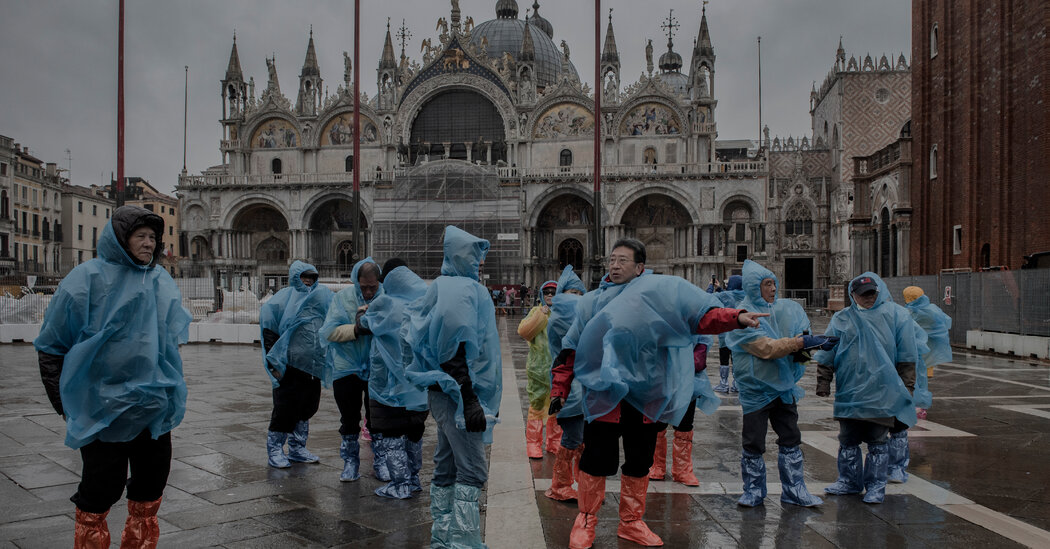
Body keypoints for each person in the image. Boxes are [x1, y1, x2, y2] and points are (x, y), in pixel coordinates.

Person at [549, 238, 768, 548]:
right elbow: (570, 350)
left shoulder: (657, 296)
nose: (615, 265)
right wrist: (559, 388)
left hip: (646, 397)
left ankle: (631, 521)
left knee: (639, 461)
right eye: (612, 259)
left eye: (623, 260)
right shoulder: (592, 303)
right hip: (604, 398)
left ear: (640, 267)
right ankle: (585, 520)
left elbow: (697, 316)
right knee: (596, 460)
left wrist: (736, 317)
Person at [36, 205, 191, 548]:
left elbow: (169, 342)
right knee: (100, 489)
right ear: (121, 239)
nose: (150, 244)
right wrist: (66, 405)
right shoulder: (85, 279)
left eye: (153, 237)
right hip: (102, 410)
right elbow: (51, 347)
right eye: (141, 236)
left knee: (151, 486)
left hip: (152, 409)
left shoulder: (159, 281)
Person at [405, 226, 502, 548]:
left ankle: (444, 536)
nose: (480, 263)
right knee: (473, 470)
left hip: (448, 393)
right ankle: (464, 542)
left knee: (446, 464)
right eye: (476, 256)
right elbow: (453, 341)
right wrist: (469, 397)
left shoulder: (445, 286)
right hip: (458, 395)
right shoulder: (461, 289)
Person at [724, 260, 838, 507]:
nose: (773, 289)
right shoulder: (742, 316)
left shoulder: (785, 309)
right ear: (754, 288)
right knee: (753, 439)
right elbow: (766, 348)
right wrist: (799, 344)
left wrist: (809, 347)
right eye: (767, 284)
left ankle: (795, 489)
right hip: (756, 389)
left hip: (783, 388)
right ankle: (753, 490)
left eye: (774, 283)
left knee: (790, 436)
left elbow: (799, 337)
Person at [815, 273, 919, 504]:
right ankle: (849, 481)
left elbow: (907, 357)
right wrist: (823, 381)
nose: (868, 298)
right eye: (863, 295)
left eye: (872, 293)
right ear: (853, 296)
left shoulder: (895, 316)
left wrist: (907, 389)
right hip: (850, 390)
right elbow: (827, 351)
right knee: (848, 439)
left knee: (878, 440)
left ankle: (875, 485)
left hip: (882, 392)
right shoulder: (842, 319)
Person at [361, 258, 431, 498]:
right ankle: (413, 480)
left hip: (388, 386)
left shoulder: (385, 304)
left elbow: (364, 325)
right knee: (414, 432)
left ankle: (399, 484)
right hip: (418, 388)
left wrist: (364, 314)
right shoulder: (423, 303)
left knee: (392, 434)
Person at [260, 260, 334, 469]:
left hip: (313, 367)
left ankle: (297, 447)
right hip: (289, 367)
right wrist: (274, 365)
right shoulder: (280, 301)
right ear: (295, 278)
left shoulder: (320, 298)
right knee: (285, 408)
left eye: (312, 277)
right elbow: (269, 332)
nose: (308, 281)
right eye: (304, 277)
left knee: (307, 407)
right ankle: (275, 449)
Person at [320, 258, 384, 481]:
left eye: (372, 287)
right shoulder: (342, 298)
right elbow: (329, 332)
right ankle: (350, 461)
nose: (368, 292)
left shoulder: (386, 299)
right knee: (349, 417)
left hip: (377, 368)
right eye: (363, 287)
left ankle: (381, 460)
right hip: (347, 368)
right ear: (356, 283)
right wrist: (355, 330)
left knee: (376, 418)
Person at [891, 286, 952, 482]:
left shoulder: (910, 312)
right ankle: (921, 406)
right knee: (923, 380)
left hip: (916, 354)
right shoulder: (932, 309)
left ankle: (916, 406)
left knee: (914, 380)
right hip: (928, 353)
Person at [648, 332, 721, 487]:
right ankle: (656, 465)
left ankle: (682, 470)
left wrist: (689, 362)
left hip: (688, 380)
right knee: (658, 423)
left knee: (685, 423)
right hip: (662, 379)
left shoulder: (693, 315)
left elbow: (703, 341)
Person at [544, 265, 587, 502]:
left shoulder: (576, 315)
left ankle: (582, 482)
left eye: (580, 295)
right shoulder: (561, 318)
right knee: (572, 435)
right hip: (568, 387)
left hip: (584, 387)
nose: (576, 300)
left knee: (582, 438)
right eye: (571, 294)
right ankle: (559, 484)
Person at [518, 280, 560, 459]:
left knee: (557, 406)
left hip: (559, 370)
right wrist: (541, 316)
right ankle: (533, 443)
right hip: (538, 370)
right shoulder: (536, 311)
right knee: (536, 405)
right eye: (547, 292)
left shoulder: (562, 314)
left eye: (553, 292)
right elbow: (524, 331)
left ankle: (554, 441)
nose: (550, 295)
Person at [712, 275, 745, 393]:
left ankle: (724, 383)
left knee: (724, 358)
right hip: (739, 335)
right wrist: (720, 288)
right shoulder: (745, 295)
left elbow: (708, 298)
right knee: (736, 359)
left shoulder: (725, 295)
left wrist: (711, 286)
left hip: (725, 334)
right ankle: (736, 384)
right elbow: (730, 299)